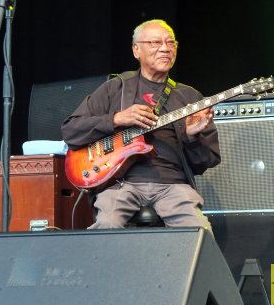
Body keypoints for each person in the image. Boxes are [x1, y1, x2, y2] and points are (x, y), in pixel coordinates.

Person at [61, 19, 220, 230]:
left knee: (200, 232)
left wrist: (192, 137)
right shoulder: (115, 88)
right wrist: (116, 119)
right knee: (107, 226)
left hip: (173, 184)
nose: (165, 48)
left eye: (170, 43)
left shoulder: (190, 97)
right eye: (155, 43)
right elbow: (70, 131)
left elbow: (207, 161)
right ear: (136, 50)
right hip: (121, 183)